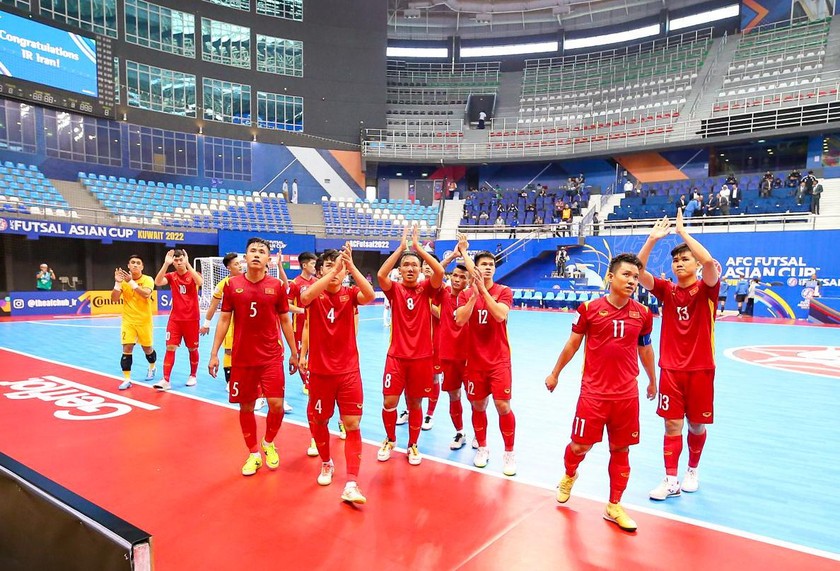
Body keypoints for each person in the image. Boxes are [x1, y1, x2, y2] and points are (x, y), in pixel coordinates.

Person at [546, 253, 656, 532]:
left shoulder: (643, 314)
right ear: (610, 277)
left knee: (621, 449)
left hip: (626, 395)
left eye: (635, 276)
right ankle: (570, 474)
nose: (632, 281)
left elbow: (645, 348)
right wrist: (555, 373)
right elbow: (572, 344)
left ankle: (614, 505)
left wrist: (652, 380)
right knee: (580, 446)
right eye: (626, 275)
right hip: (594, 394)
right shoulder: (588, 309)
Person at [637, 210, 720, 501]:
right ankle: (671, 479)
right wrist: (651, 240)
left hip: (700, 369)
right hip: (670, 369)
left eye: (685, 258)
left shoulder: (708, 289)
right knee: (671, 424)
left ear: (696, 264)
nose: (679, 263)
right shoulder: (666, 290)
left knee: (696, 424)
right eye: (675, 259)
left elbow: (709, 262)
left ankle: (692, 470)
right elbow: (638, 272)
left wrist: (683, 233)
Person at [208, 237, 299, 477]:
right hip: (242, 358)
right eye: (252, 251)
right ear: (245, 257)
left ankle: (269, 442)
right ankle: (253, 453)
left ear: (268, 259)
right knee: (246, 407)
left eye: (262, 251)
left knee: (276, 406)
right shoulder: (231, 285)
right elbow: (225, 319)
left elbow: (285, 319)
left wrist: (294, 351)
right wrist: (214, 353)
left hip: (271, 357)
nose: (257, 254)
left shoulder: (278, 286)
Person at [298, 246, 375, 504]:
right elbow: (306, 297)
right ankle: (327, 462)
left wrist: (350, 267)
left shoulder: (350, 294)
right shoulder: (312, 294)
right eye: (328, 266)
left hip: (349, 372)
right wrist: (329, 273)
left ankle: (352, 482)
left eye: (337, 266)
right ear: (319, 270)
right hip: (320, 373)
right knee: (319, 422)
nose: (334, 271)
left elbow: (370, 294)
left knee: (352, 425)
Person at [376, 225, 444, 466]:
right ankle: (390, 439)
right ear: (400, 270)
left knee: (415, 403)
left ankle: (413, 445)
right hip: (396, 357)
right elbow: (381, 275)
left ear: (420, 270)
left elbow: (438, 272)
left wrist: (417, 249)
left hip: (422, 358)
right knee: (389, 402)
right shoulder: (394, 290)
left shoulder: (426, 289)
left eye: (414, 265)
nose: (411, 268)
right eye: (406, 265)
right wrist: (401, 248)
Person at [455, 250, 517, 476]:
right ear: (476, 268)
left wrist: (483, 291)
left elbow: (500, 315)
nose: (488, 267)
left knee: (503, 406)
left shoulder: (504, 291)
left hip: (499, 360)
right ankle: (482, 447)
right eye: (484, 264)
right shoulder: (464, 295)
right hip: (475, 362)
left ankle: (509, 452)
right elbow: (460, 320)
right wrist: (474, 294)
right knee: (478, 406)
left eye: (491, 264)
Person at [436, 235, 472, 449]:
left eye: (462, 277)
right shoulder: (443, 293)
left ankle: (479, 434)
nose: (457, 279)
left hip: (470, 355)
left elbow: (477, 276)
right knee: (454, 395)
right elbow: (435, 272)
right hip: (449, 355)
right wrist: (452, 256)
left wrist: (465, 253)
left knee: (477, 399)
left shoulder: (473, 294)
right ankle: (459, 432)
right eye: (455, 276)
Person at [153, 249, 203, 390]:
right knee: (170, 347)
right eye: (176, 260)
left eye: (181, 259)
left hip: (192, 319)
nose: (179, 262)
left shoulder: (192, 274)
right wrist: (165, 264)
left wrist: (188, 264)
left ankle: (193, 375)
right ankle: (166, 380)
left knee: (192, 348)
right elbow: (158, 282)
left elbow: (200, 281)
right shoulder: (171, 276)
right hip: (175, 319)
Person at [112, 255, 157, 390]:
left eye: (138, 263)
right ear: (128, 266)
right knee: (127, 348)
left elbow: (146, 294)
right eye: (133, 263)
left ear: (142, 267)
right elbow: (114, 299)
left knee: (147, 349)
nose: (135, 265)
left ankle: (152, 366)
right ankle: (127, 379)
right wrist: (117, 283)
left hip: (144, 321)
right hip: (128, 321)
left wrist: (131, 282)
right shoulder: (123, 282)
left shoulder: (148, 279)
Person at [200, 253, 242, 387]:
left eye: (240, 263)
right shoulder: (223, 284)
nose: (240, 266)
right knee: (229, 350)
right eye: (236, 264)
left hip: (247, 322)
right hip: (230, 322)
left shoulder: (248, 280)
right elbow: (213, 305)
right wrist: (206, 324)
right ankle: (230, 381)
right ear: (228, 267)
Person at [286, 252, 318, 396]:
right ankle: (307, 384)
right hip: (299, 326)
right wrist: (303, 310)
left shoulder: (317, 282)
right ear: (304, 265)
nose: (315, 266)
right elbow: (286, 305)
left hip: (316, 324)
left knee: (316, 355)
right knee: (302, 355)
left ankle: (315, 381)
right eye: (312, 263)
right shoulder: (295, 284)